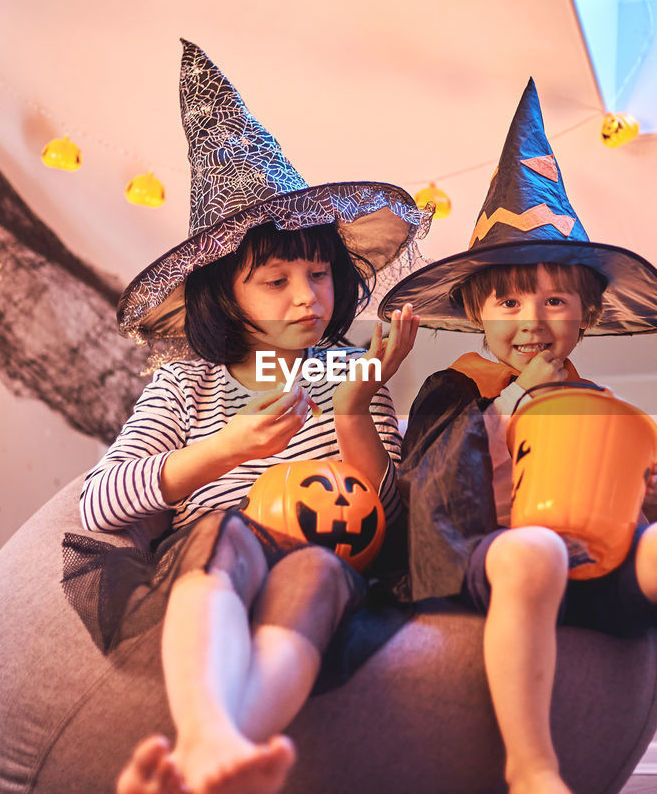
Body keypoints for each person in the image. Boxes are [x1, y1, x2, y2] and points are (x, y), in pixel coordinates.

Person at [63, 40, 429, 794]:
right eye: (276, 279)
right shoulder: (187, 386)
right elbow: (98, 502)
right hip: (214, 564)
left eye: (320, 273)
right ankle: (207, 738)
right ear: (223, 294)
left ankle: (216, 756)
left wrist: (355, 412)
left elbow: (387, 525)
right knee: (225, 530)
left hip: (327, 562)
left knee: (319, 571)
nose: (307, 297)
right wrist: (219, 453)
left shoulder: (347, 373)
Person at [379, 80, 657, 794]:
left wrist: (651, 505)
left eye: (555, 300)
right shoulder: (455, 389)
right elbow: (430, 493)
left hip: (595, 564)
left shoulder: (593, 403)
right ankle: (532, 763)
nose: (532, 319)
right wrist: (520, 398)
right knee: (536, 550)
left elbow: (609, 496)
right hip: (489, 569)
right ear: (477, 314)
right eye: (509, 301)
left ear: (585, 317)